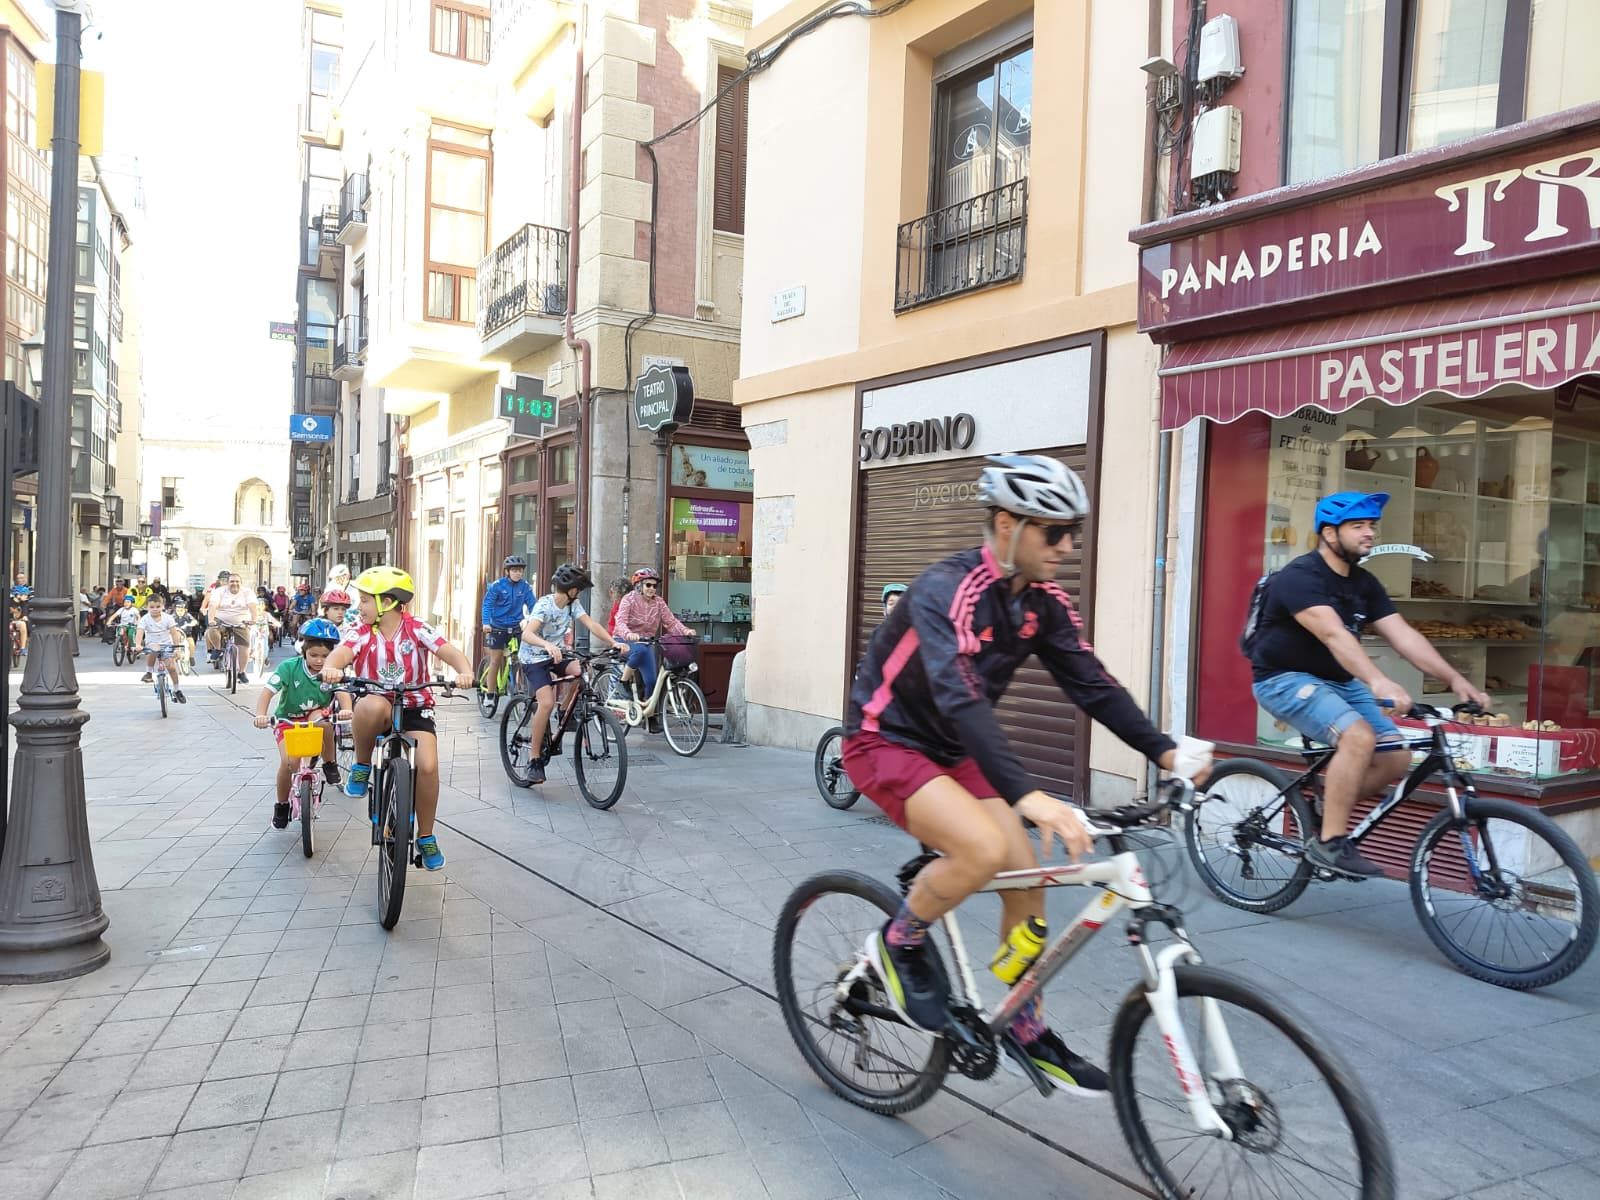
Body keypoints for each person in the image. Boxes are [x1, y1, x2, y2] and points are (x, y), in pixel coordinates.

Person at [840, 454, 1209, 1096]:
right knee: (982, 850)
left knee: (1026, 876)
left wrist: (1166, 753)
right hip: (884, 739)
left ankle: (1024, 1025)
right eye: (1053, 531)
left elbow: (1092, 686)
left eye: (1074, 533)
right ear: (1007, 525)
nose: (1067, 546)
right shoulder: (947, 591)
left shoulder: (1042, 603)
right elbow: (960, 697)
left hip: (952, 749)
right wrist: (1030, 795)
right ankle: (899, 943)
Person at [1247, 490, 1491, 878]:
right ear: (1329, 534)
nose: (1369, 533)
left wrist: (1456, 679)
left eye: (1372, 526)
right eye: (1358, 526)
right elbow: (1334, 635)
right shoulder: (1298, 578)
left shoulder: (1363, 583)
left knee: (1395, 755)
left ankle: (1329, 806)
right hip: (1284, 679)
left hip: (1339, 681)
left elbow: (1403, 635)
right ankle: (1329, 844)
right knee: (1359, 738)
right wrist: (1378, 681)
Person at [320, 566, 473, 871]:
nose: (358, 606)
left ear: (387, 602)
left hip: (415, 706)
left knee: (428, 767)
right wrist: (332, 667)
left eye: (364, 600)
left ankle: (426, 836)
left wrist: (465, 671)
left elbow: (448, 651)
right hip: (376, 704)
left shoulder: (417, 628)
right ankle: (363, 765)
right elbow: (340, 654)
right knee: (372, 706)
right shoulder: (360, 631)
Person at [516, 562, 629, 785]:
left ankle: (565, 710)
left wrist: (613, 642)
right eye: (579, 589)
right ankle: (534, 760)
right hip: (534, 658)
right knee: (545, 703)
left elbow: (591, 624)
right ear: (571, 589)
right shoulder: (545, 605)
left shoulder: (572, 604)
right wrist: (546, 645)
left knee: (581, 670)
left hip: (557, 654)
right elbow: (527, 634)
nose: (580, 593)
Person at [254, 617, 343, 829]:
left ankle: (330, 763)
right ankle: (282, 804)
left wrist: (346, 709)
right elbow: (268, 692)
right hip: (287, 721)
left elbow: (342, 692)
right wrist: (261, 714)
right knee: (289, 763)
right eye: (313, 655)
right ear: (303, 651)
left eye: (325, 656)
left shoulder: (332, 673)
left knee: (324, 723)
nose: (319, 661)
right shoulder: (288, 668)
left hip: (313, 715)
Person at [613, 567, 692, 702]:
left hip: (645, 642)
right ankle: (623, 683)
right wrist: (629, 634)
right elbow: (620, 622)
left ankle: (649, 715)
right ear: (639, 586)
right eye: (648, 585)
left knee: (652, 682)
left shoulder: (659, 602)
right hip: (624, 640)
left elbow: (671, 622)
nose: (652, 588)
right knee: (640, 650)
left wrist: (685, 631)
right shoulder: (629, 599)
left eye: (655, 586)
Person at [480, 555, 536, 699]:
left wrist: (535, 621)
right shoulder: (497, 586)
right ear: (508, 571)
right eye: (514, 570)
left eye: (520, 571)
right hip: (497, 627)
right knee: (496, 660)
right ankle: (490, 695)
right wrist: (486, 623)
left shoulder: (525, 587)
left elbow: (533, 606)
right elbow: (487, 604)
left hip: (516, 626)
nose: (518, 573)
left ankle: (518, 685)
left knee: (520, 657)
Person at [135, 594, 186, 703]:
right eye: (152, 607)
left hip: (167, 644)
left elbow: (174, 633)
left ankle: (177, 690)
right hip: (152, 643)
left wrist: (176, 648)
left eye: (158, 606)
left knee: (171, 667)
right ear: (147, 607)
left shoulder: (168, 618)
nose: (155, 609)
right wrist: (138, 645)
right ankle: (148, 673)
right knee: (153, 649)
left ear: (163, 606)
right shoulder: (145, 619)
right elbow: (140, 632)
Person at [204, 573, 255, 681]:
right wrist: (211, 620)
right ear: (227, 583)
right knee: (211, 630)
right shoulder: (219, 592)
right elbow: (213, 606)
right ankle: (218, 649)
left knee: (244, 646)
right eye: (232, 581)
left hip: (241, 621)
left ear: (241, 583)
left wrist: (253, 619)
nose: (234, 584)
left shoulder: (247, 592)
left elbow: (252, 606)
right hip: (221, 620)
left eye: (237, 581)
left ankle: (241, 672)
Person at [171, 596, 201, 670]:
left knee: (191, 643)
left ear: (185, 610)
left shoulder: (188, 616)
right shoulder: (172, 616)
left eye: (181, 610)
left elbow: (195, 621)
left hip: (187, 634)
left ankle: (191, 657)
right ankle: (176, 652)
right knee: (176, 636)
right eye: (178, 610)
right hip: (177, 634)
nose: (179, 612)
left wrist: (190, 624)